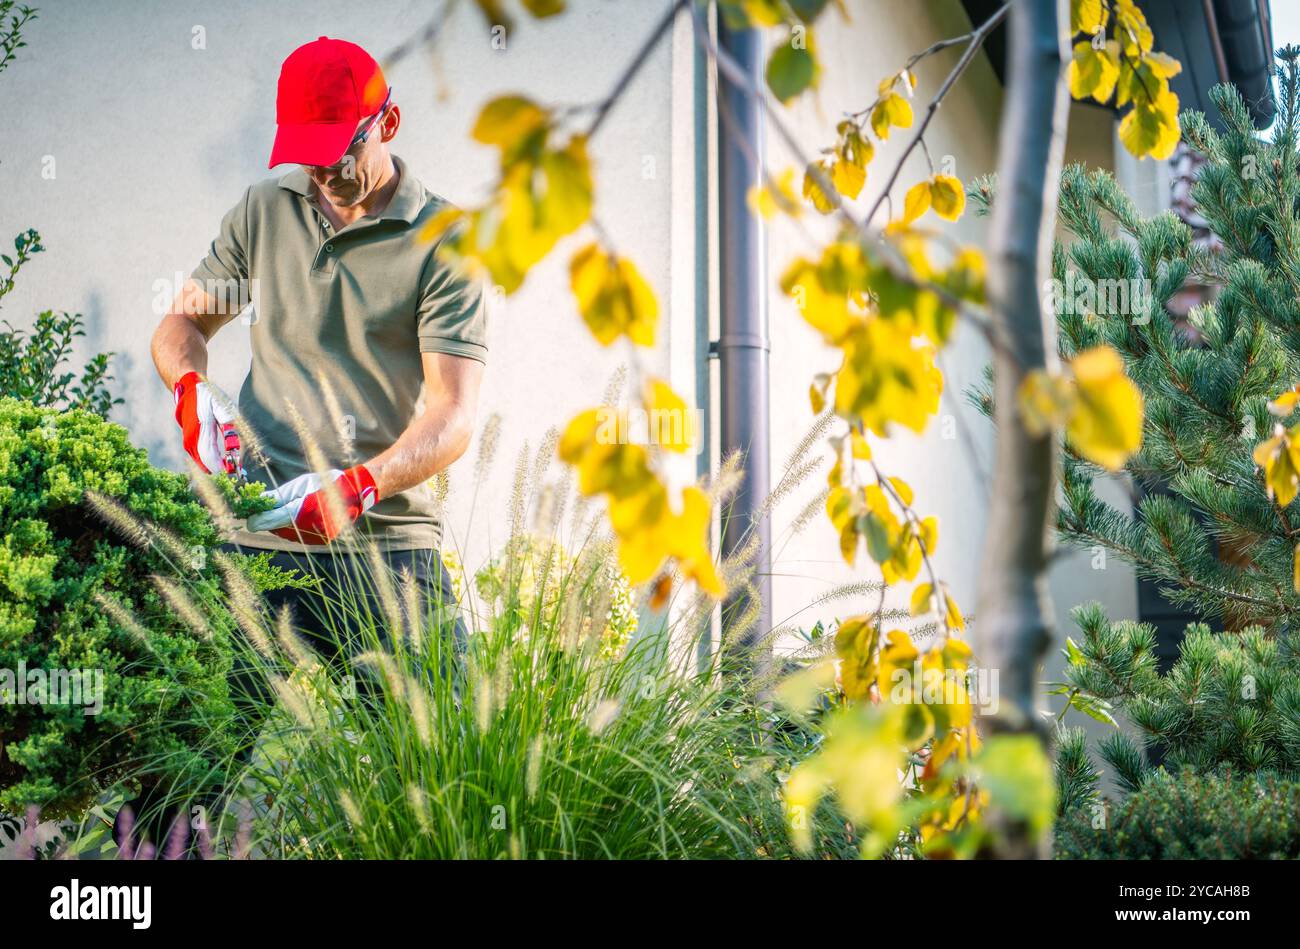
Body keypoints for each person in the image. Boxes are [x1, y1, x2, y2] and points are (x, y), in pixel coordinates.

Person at [136, 36, 484, 853]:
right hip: (257, 537)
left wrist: (359, 485)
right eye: (307, 159)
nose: (322, 178)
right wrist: (192, 391)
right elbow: (181, 326)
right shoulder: (266, 210)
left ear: (387, 121)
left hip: (387, 550)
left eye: (339, 155)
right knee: (170, 781)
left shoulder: (448, 242)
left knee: (455, 780)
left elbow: (453, 413)